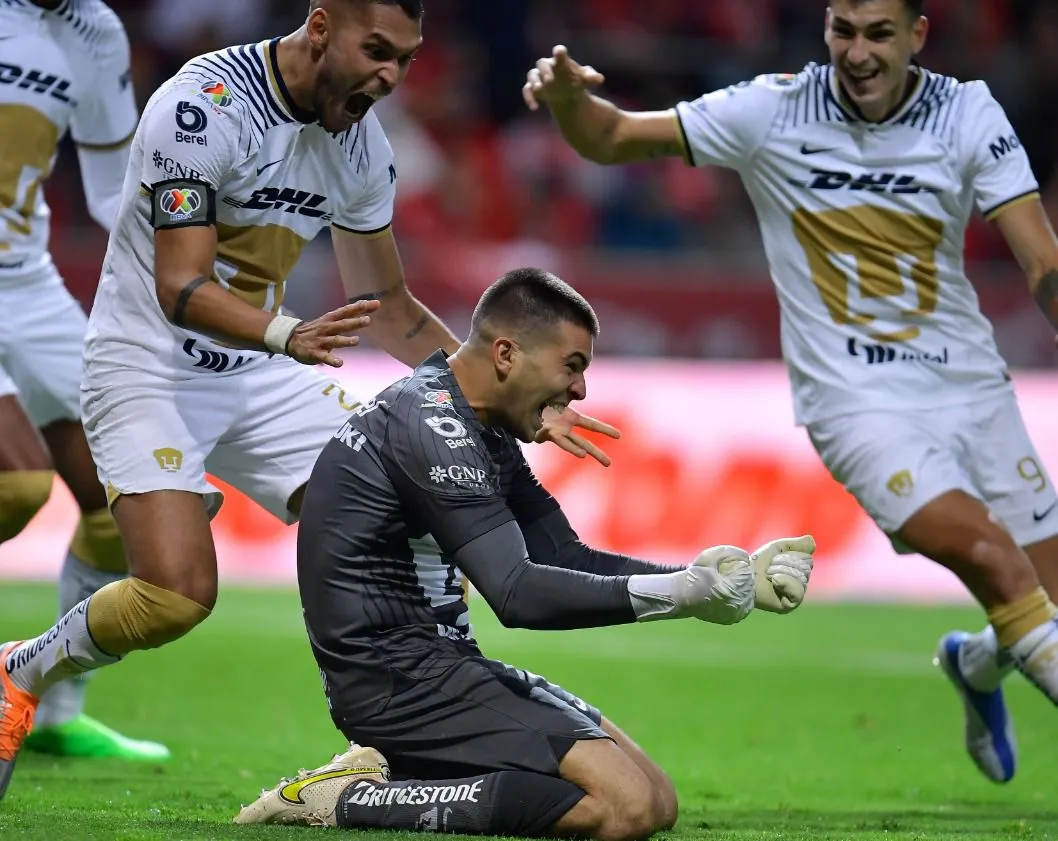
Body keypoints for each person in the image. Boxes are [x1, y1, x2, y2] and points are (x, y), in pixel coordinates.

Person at [0, 0, 615, 800]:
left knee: (417, 506)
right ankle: (21, 668)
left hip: (260, 369)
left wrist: (515, 391)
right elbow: (181, 285)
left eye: (405, 59)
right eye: (376, 51)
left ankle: (391, 739)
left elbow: (388, 306)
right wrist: (290, 333)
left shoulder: (360, 145)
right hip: (146, 361)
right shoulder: (202, 107)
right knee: (176, 594)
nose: (389, 77)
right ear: (320, 28)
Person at [521, 0, 1058, 785]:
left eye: (880, 34)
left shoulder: (969, 112)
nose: (860, 52)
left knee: (1039, 598)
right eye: (844, 30)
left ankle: (976, 664)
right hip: (854, 401)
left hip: (972, 386)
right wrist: (569, 98)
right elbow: (611, 137)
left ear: (918, 34)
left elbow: (1042, 263)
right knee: (990, 558)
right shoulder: (770, 109)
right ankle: (990, 648)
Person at [232, 267, 817, 837]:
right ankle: (346, 801)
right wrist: (688, 595)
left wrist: (704, 578)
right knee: (624, 807)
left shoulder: (476, 423)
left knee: (657, 799)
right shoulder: (432, 424)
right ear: (507, 355)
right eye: (573, 365)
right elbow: (516, 594)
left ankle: (398, 775)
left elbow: (567, 556)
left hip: (438, 666)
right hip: (395, 682)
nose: (581, 389)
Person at [0, 0, 171, 762]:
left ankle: (48, 709)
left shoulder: (93, 29)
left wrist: (190, 262)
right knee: (14, 485)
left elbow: (112, 191)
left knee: (122, 500)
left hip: (25, 281)